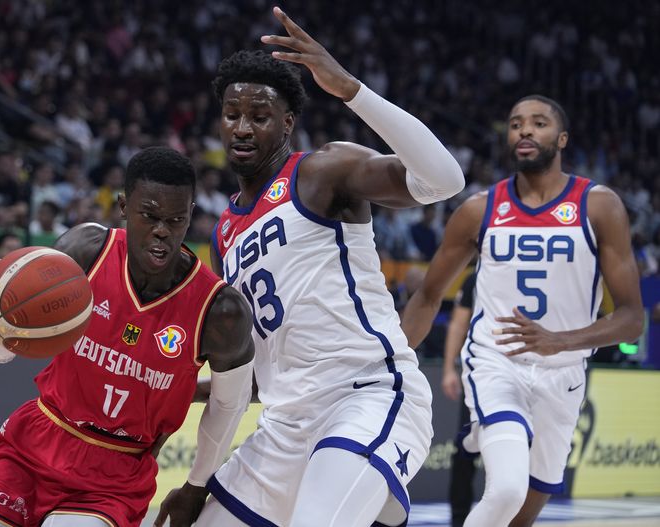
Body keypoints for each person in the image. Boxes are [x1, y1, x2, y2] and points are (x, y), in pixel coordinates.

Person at [160, 7, 465, 527]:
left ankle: (370, 497)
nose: (242, 127)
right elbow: (258, 366)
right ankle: (378, 509)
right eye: (232, 114)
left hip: (366, 394)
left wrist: (350, 89)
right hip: (286, 424)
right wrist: (181, 389)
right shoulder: (224, 233)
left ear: (287, 123)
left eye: (259, 116)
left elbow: (444, 180)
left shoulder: (322, 171)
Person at [0, 147, 255, 527]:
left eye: (176, 219)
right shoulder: (87, 251)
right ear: (124, 206)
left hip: (116, 471)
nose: (163, 230)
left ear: (191, 215)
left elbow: (230, 405)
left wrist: (196, 485)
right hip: (37, 440)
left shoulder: (220, 310)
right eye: (150, 216)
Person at [402, 95, 644, 526]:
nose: (525, 131)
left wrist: (561, 341)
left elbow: (631, 318)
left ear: (562, 139)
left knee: (523, 513)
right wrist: (394, 359)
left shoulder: (599, 205)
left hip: (565, 373)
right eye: (515, 124)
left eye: (538, 123)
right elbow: (428, 295)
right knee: (507, 489)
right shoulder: (479, 209)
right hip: (497, 363)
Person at [442, 272, 478, 527]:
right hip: (481, 375)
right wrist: (448, 369)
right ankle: (458, 520)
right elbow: (458, 323)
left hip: (529, 373)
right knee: (465, 451)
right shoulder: (474, 278)